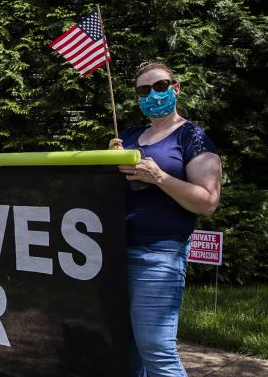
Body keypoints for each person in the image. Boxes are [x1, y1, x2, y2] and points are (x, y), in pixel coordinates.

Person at [109, 60, 221, 377]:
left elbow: (208, 202)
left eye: (160, 86)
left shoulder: (192, 138)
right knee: (124, 351)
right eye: (144, 90)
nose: (152, 95)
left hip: (157, 255)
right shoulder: (129, 135)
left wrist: (158, 176)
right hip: (113, 255)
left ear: (175, 88)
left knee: (156, 350)